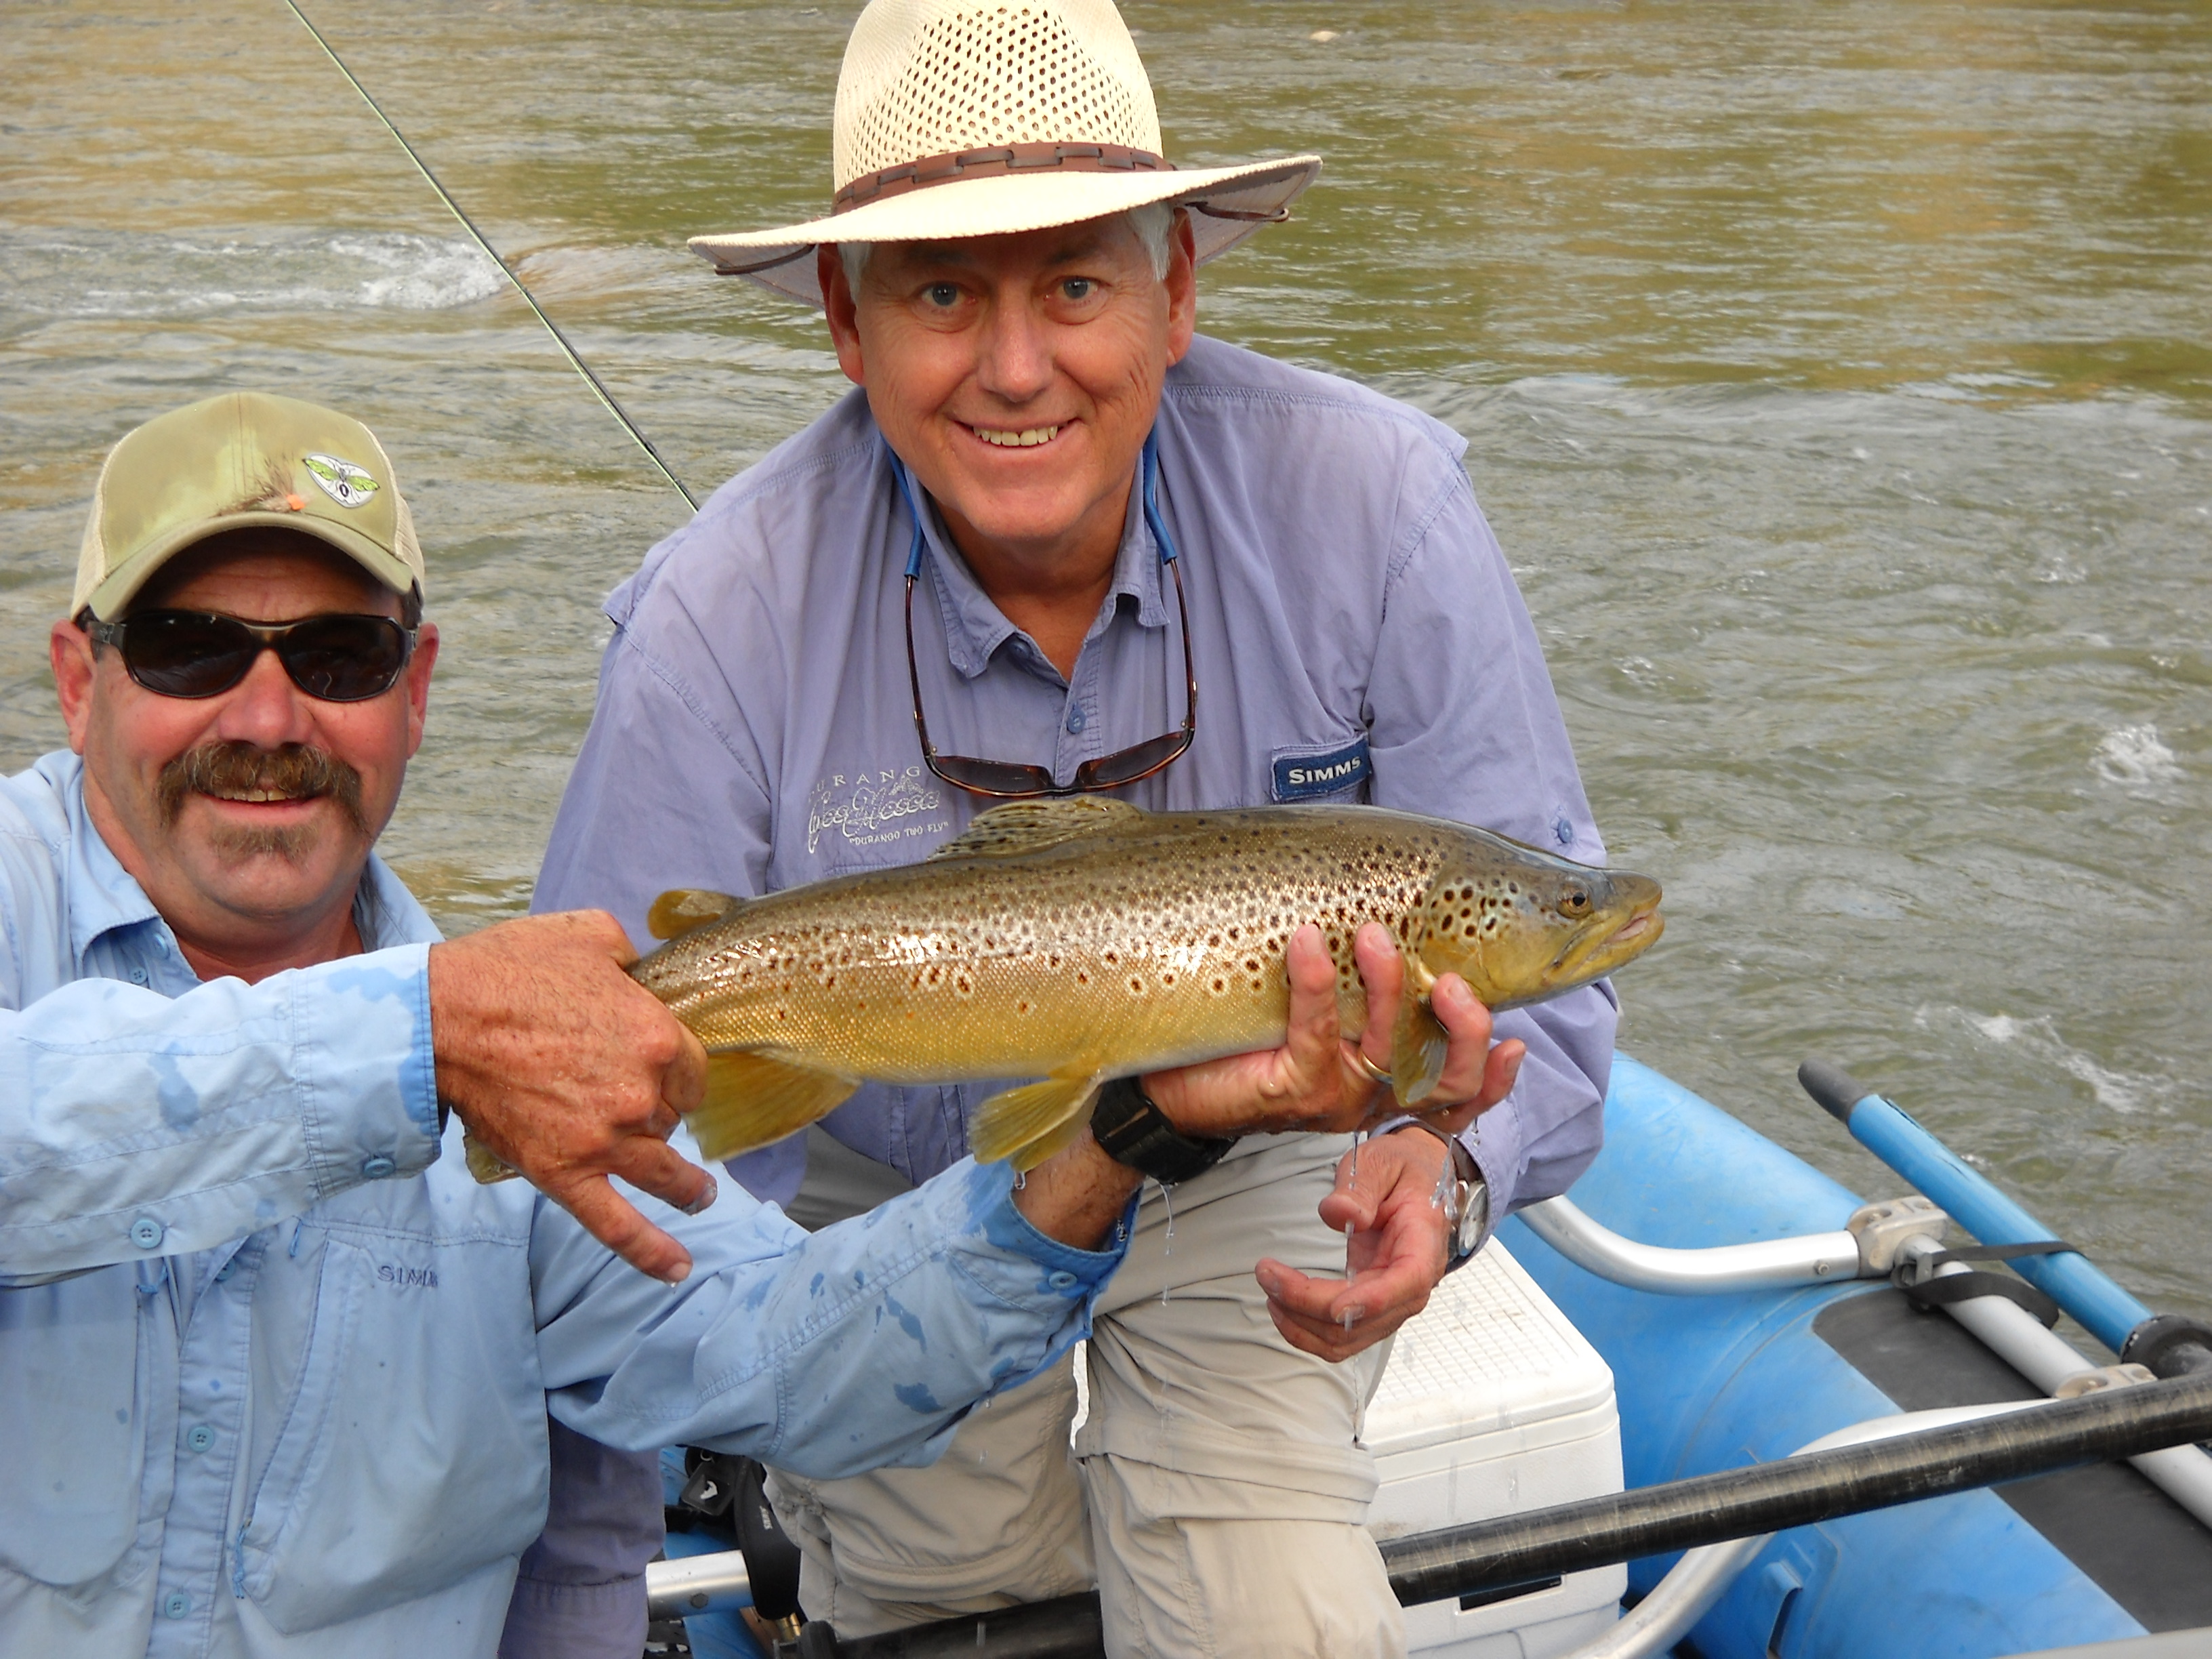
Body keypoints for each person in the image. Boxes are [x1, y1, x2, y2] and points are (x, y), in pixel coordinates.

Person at [531, 1, 1620, 1653]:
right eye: (946, 292)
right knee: (949, 1583)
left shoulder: (1381, 511)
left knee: (1272, 1600)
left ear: (1178, 289)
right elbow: (630, 1164)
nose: (1019, 365)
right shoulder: (708, 623)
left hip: (1268, 1171)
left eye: (1078, 284)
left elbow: (1562, 1007)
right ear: (847, 318)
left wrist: (1442, 1157)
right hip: (885, 1193)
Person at [0, 389, 1314, 1657]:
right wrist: (411, 1044)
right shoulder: (445, 1031)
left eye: (340, 657)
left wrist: (1126, 1137)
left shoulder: (521, 1075)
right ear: (76, 678)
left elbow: (788, 1358)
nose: (270, 716)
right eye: (190, 646)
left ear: (416, 691)